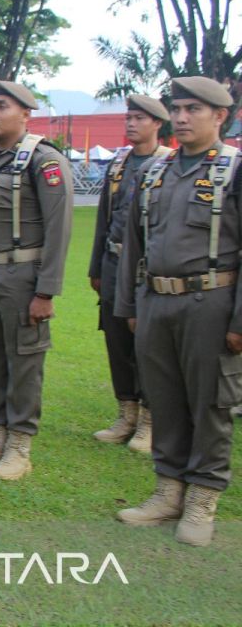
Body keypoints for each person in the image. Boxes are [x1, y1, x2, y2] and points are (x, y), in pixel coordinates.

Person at [115, 77, 242, 546]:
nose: (183, 117)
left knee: (209, 403)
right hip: (155, 300)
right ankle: (168, 490)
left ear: (220, 116)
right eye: (179, 109)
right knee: (164, 399)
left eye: (194, 109)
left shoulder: (234, 169)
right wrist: (130, 304)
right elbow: (134, 242)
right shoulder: (157, 171)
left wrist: (239, 320)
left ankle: (203, 499)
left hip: (210, 301)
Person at [0, 80, 73, 481]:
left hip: (23, 276)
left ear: (25, 114)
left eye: (2, 106)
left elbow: (59, 229)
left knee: (23, 363)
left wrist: (46, 291)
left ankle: (20, 446)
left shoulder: (44, 160)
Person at [88, 95, 170, 452]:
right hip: (113, 262)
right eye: (129, 117)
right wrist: (96, 267)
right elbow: (104, 219)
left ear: (157, 124)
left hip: (147, 268)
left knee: (148, 346)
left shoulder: (167, 163)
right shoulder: (119, 163)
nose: (131, 124)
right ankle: (127, 413)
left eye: (139, 118)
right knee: (117, 341)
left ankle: (151, 421)